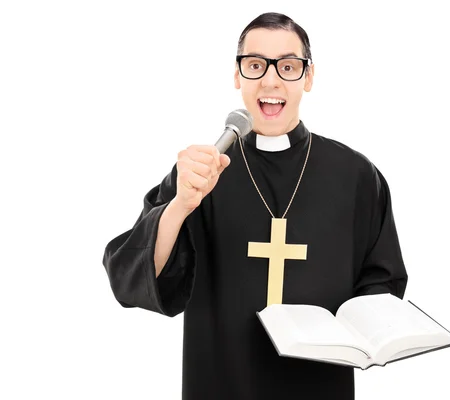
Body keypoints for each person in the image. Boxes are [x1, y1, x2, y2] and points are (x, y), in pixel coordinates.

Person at [102, 11, 408, 400]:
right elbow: (129, 278)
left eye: (288, 65)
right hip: (220, 380)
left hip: (319, 386)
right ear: (237, 75)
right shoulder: (201, 171)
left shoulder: (357, 175)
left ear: (308, 77)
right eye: (255, 64)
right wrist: (180, 205)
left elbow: (382, 284)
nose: (271, 79)